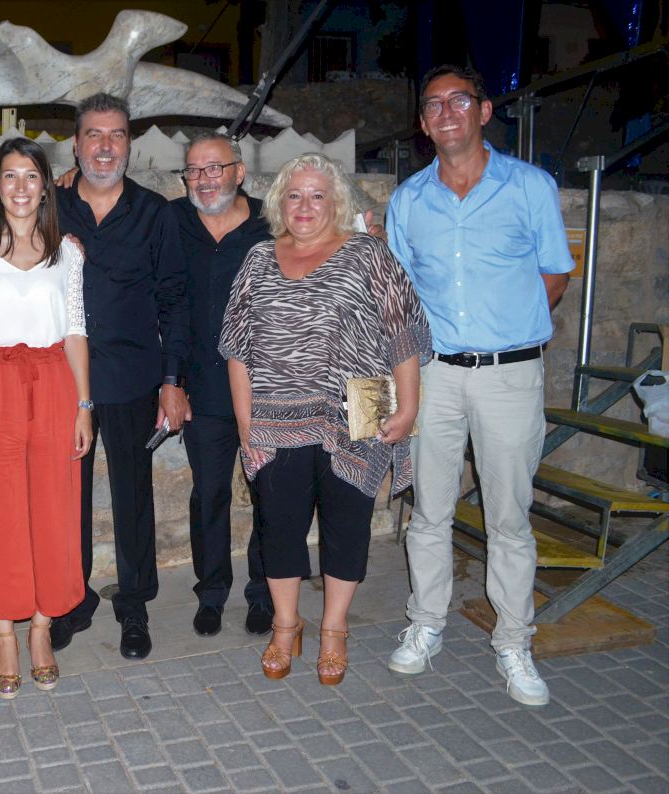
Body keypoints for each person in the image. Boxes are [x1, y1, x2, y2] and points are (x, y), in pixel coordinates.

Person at [386, 65, 572, 706]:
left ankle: (514, 640)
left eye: (458, 100)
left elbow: (554, 274)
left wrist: (510, 330)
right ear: (423, 123)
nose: (446, 113)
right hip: (434, 374)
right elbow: (399, 293)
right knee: (429, 512)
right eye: (433, 104)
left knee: (509, 517)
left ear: (484, 110)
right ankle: (426, 623)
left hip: (509, 374)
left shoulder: (529, 186)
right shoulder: (409, 200)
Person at [220, 152, 429, 686]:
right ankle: (286, 626)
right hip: (274, 418)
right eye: (294, 195)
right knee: (279, 526)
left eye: (317, 195)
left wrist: (408, 407)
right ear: (279, 203)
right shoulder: (258, 259)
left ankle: (334, 629)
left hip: (359, 410)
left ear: (337, 203)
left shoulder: (368, 254)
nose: (305, 206)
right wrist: (245, 424)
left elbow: (403, 330)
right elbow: (237, 348)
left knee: (347, 524)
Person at [0, 137, 92, 698]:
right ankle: (5, 632)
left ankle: (42, 628)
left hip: (54, 382)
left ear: (46, 186)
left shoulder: (67, 252)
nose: (21, 187)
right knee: (0, 511)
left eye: (31, 175)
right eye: (10, 175)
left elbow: (76, 330)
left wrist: (84, 406)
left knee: (55, 509)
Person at [51, 93, 189, 659]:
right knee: (67, 497)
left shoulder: (155, 212)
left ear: (129, 145)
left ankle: (133, 604)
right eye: (94, 134)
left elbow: (174, 299)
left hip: (134, 377)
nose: (105, 146)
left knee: (133, 497)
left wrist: (173, 380)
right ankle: (71, 599)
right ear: (76, 144)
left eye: (116, 135)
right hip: (65, 380)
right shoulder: (51, 207)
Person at [171, 132, 275, 638]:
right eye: (194, 170)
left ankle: (264, 593)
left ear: (239, 172)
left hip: (267, 388)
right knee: (209, 495)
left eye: (215, 167)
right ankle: (211, 593)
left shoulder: (272, 224)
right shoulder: (172, 220)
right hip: (203, 389)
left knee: (268, 494)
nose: (205, 178)